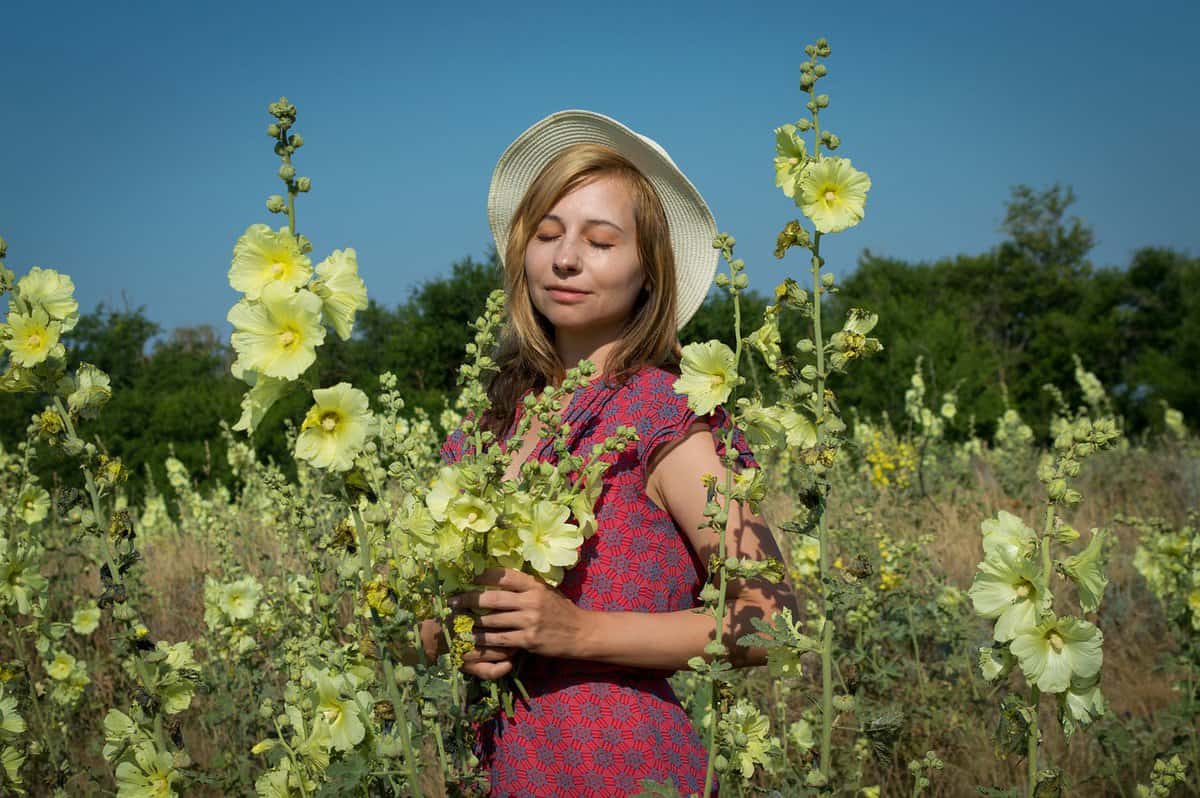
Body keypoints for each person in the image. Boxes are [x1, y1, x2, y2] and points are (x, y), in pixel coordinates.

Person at [431, 109, 797, 797]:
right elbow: (415, 626)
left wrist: (577, 632)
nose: (565, 258)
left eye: (600, 241)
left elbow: (771, 617)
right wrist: (455, 630)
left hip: (628, 774)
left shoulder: (665, 411)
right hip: (506, 773)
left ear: (649, 273)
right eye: (546, 235)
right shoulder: (486, 427)